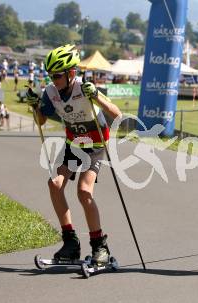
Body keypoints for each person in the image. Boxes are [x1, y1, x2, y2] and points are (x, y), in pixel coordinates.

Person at [26, 44, 122, 265]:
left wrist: (97, 95)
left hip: (96, 144)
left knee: (83, 191)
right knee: (55, 184)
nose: (53, 80)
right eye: (50, 75)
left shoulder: (84, 88)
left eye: (57, 75)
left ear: (71, 73)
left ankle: (100, 247)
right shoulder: (50, 92)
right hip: (74, 144)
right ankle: (70, 242)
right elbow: (41, 121)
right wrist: (36, 108)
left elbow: (117, 115)